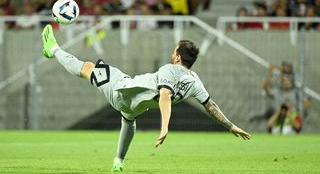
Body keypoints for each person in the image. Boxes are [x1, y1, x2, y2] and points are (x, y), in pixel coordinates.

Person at [41, 24, 251, 172]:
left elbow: (165, 96)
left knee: (86, 68)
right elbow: (210, 105)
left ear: (178, 57)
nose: (172, 53)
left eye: (174, 50)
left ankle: (53, 49)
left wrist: (165, 127)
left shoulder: (170, 69)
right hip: (135, 106)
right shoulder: (195, 82)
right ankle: (118, 162)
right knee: (128, 119)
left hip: (121, 91)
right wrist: (230, 125)